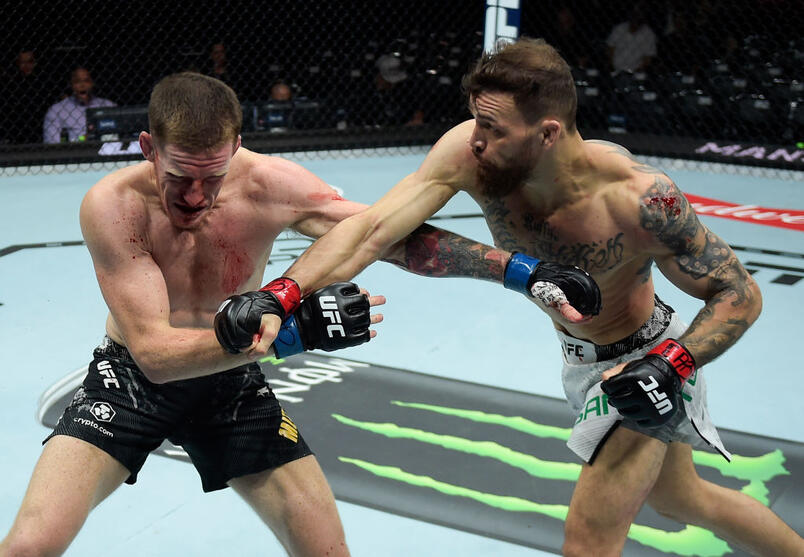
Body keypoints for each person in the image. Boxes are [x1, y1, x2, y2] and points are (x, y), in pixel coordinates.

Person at [0, 71, 599, 556]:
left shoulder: (269, 184)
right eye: (179, 177)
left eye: (211, 179)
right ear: (149, 148)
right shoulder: (112, 205)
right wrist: (292, 336)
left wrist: (522, 271)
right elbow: (156, 356)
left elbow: (388, 235)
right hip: (132, 380)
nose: (194, 199)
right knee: (29, 546)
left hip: (232, 385)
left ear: (236, 147)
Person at [275, 38, 804, 556]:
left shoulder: (638, 199)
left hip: (643, 365)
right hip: (579, 359)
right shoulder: (472, 156)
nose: (476, 139)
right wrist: (283, 293)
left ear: (548, 133)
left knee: (588, 542)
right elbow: (374, 230)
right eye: (477, 121)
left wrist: (674, 364)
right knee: (685, 502)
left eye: (493, 128)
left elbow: (738, 292)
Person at [43, 67, 116, 143]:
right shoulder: (56, 110)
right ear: (71, 85)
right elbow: (52, 143)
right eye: (77, 81)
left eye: (86, 81)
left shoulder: (108, 105)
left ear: (92, 83)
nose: (82, 85)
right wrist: (82, 139)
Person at [3, 49, 51, 144]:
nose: (26, 66)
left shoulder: (44, 83)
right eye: (22, 62)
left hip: (40, 127)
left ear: (35, 62)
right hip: (17, 129)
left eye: (29, 61)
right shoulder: (11, 85)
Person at [605, 2, 658, 72]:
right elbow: (610, 48)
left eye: (640, 14)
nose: (637, 17)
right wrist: (611, 66)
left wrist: (639, 70)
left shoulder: (649, 34)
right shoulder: (619, 28)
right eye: (635, 14)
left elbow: (648, 57)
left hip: (635, 71)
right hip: (615, 69)